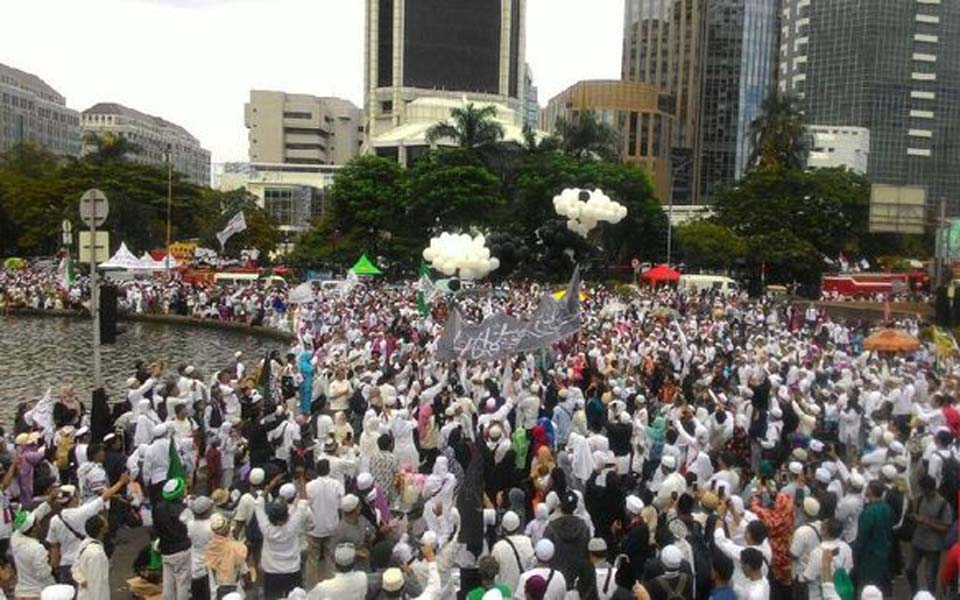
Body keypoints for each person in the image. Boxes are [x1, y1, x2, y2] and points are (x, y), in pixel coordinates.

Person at [47, 476, 127, 586]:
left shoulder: (54, 520)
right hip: (83, 562)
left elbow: (54, 548)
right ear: (74, 497)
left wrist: (53, 568)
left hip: (65, 565)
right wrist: (121, 482)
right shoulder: (83, 512)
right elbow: (105, 497)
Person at [907, 474, 953, 594]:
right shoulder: (920, 499)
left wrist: (926, 522)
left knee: (930, 576)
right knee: (909, 570)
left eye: (924, 489)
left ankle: (930, 596)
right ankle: (915, 593)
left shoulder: (943, 504)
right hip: (918, 541)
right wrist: (913, 517)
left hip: (933, 545)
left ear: (928, 488)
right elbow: (915, 515)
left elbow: (946, 528)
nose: (922, 491)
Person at [305, 459, 344, 588]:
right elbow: (341, 505)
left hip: (314, 528)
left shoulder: (309, 486)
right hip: (332, 527)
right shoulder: (337, 485)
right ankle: (332, 588)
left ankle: (312, 589)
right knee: (331, 559)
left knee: (312, 561)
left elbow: (307, 506)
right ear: (329, 470)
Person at [11, 490, 57, 599]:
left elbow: (35, 515)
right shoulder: (37, 549)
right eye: (37, 523)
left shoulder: (15, 537)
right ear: (34, 529)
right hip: (37, 593)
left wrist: (49, 501)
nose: (39, 523)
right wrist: (52, 563)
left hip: (21, 592)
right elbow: (43, 575)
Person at [852, 481, 894, 593]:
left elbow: (861, 538)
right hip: (883, 553)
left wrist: (854, 554)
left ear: (871, 491)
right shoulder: (887, 508)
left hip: (869, 557)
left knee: (865, 588)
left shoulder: (868, 512)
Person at [153, 477, 192, 600]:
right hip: (182, 551)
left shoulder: (158, 509)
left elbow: (156, 529)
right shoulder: (184, 511)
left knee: (168, 583)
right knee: (183, 583)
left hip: (166, 551)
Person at [205, 512, 248, 599]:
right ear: (228, 529)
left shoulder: (210, 548)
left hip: (216, 591)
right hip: (234, 590)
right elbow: (244, 571)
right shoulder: (236, 548)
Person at [491, 511, 535, 593]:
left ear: (503, 527)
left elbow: (494, 574)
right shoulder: (528, 541)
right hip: (524, 593)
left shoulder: (498, 547)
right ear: (518, 526)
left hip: (506, 594)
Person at [182, 495, 216, 600]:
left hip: (195, 564)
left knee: (197, 593)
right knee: (209, 593)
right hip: (209, 565)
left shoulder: (190, 524)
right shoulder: (211, 526)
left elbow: (184, 516)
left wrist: (190, 504)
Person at [70, 514, 109, 600]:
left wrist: (82, 580)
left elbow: (74, 568)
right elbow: (97, 585)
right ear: (102, 529)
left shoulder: (84, 544)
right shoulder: (97, 554)